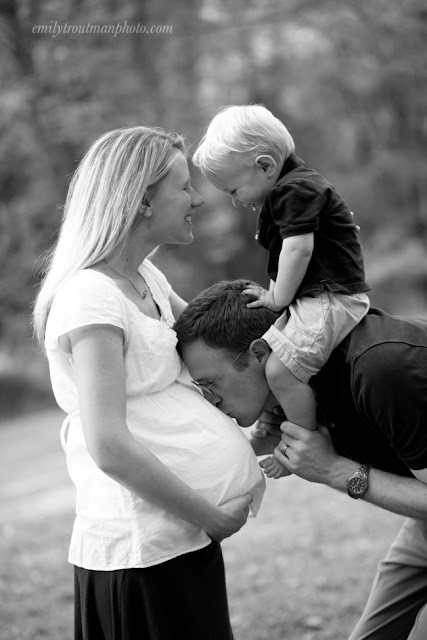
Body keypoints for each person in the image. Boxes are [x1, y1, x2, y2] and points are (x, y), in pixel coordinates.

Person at [32, 128, 265, 640]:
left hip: (182, 540)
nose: (198, 199)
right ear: (141, 199)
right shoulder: (90, 297)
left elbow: (214, 344)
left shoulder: (146, 279)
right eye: (184, 186)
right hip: (140, 551)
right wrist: (211, 517)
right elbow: (109, 447)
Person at [174, 278, 427, 640]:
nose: (210, 399)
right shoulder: (298, 386)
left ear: (259, 353)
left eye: (210, 383)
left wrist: (335, 471)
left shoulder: (381, 371)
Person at [192, 104, 370, 473]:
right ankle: (273, 428)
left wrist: (277, 298)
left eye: (234, 189)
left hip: (332, 297)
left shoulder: (296, 190)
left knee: (281, 370)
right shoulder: (286, 193)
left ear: (265, 166)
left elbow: (298, 250)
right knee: (268, 353)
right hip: (317, 297)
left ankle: (301, 446)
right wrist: (274, 299)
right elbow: (282, 257)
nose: (236, 200)